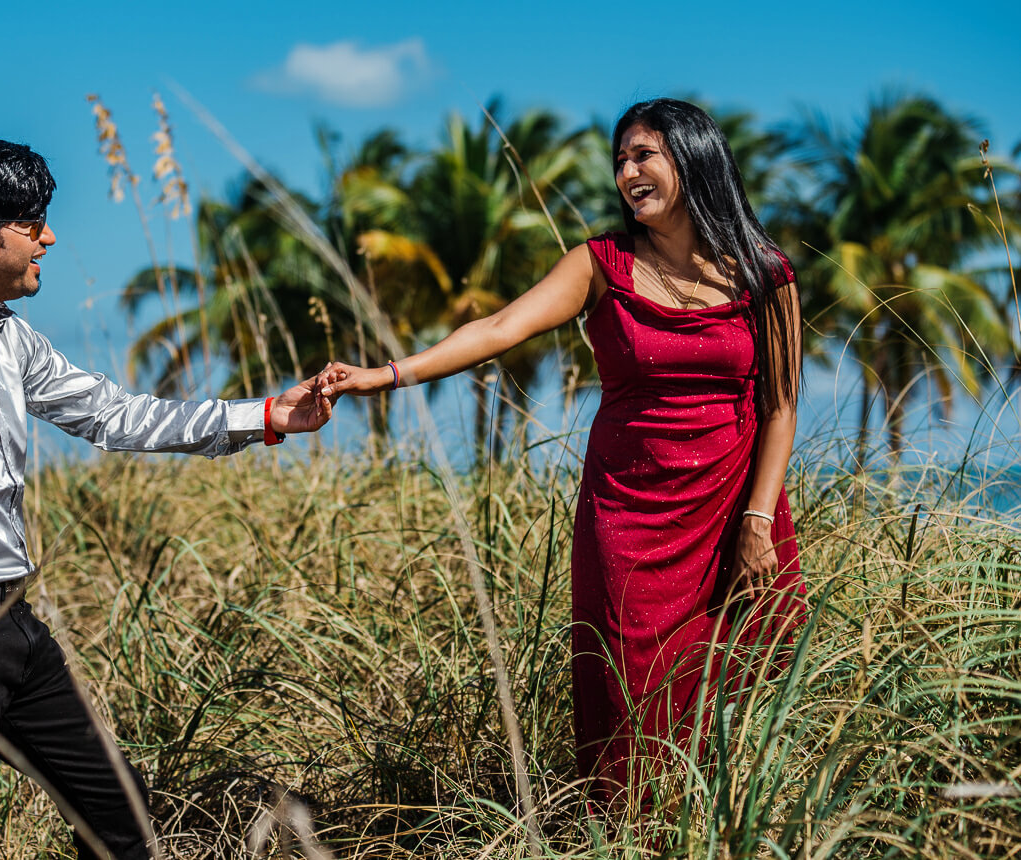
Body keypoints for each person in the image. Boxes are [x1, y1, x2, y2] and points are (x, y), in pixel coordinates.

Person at [0, 131, 334, 859]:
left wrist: (263, 417)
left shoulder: (8, 338)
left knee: (120, 823)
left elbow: (115, 414)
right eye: (33, 223)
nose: (50, 237)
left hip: (10, 617)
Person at [317, 98, 806, 809]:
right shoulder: (599, 264)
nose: (628, 171)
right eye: (620, 161)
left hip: (736, 515)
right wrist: (384, 374)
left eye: (645, 155)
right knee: (627, 693)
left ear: (694, 157)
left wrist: (758, 522)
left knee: (737, 693)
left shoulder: (766, 273)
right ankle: (627, 840)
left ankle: (725, 831)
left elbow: (782, 406)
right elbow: (499, 327)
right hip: (630, 518)